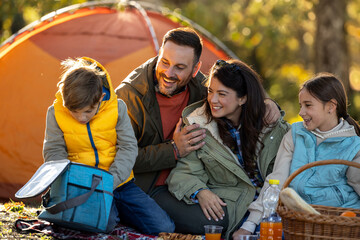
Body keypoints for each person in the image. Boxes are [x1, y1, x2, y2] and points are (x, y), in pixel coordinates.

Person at [115, 27, 281, 233]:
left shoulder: (203, 89)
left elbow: (234, 90)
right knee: (176, 225)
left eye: (180, 67)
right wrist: (173, 150)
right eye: (165, 62)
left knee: (227, 214)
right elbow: (119, 158)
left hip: (190, 178)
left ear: (195, 70)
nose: (168, 73)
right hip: (145, 184)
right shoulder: (129, 96)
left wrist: (267, 103)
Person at [43, 57, 175, 235]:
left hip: (120, 182)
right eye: (74, 112)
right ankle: (111, 214)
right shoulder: (55, 113)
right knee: (103, 225)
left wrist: (112, 180)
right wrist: (73, 182)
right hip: (83, 185)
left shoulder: (117, 108)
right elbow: (54, 151)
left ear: (101, 98)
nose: (81, 118)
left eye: (88, 111)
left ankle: (116, 209)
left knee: (164, 228)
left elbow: (128, 146)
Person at [167, 59, 290, 239]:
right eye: (210, 91)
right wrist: (200, 191)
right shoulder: (198, 126)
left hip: (270, 207)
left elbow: (283, 176)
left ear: (243, 98)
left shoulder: (274, 127)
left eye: (222, 94)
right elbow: (183, 172)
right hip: (232, 207)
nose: (213, 100)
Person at [233, 72, 360, 239]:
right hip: (297, 222)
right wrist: (249, 225)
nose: (301, 112)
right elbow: (276, 181)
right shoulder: (295, 134)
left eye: (308, 105)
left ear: (331, 106)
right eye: (301, 105)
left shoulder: (353, 145)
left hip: (337, 225)